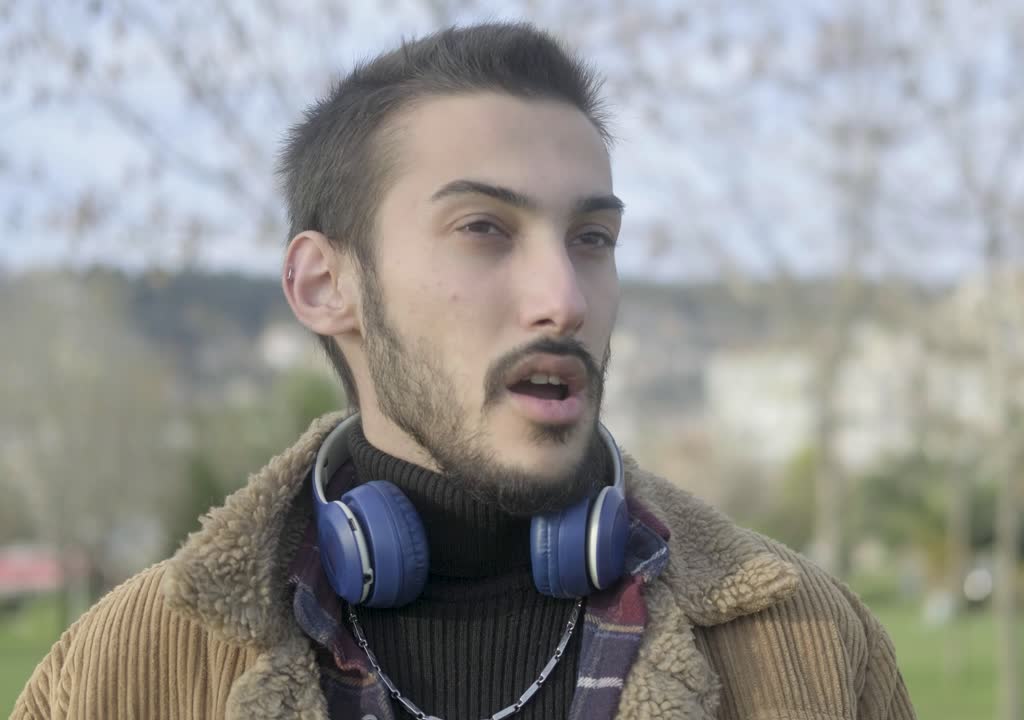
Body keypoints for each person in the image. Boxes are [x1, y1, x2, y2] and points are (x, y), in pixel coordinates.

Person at [12, 22, 915, 720]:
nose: (562, 298)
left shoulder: (813, 647)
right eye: (485, 228)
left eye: (592, 239)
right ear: (326, 284)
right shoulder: (121, 671)